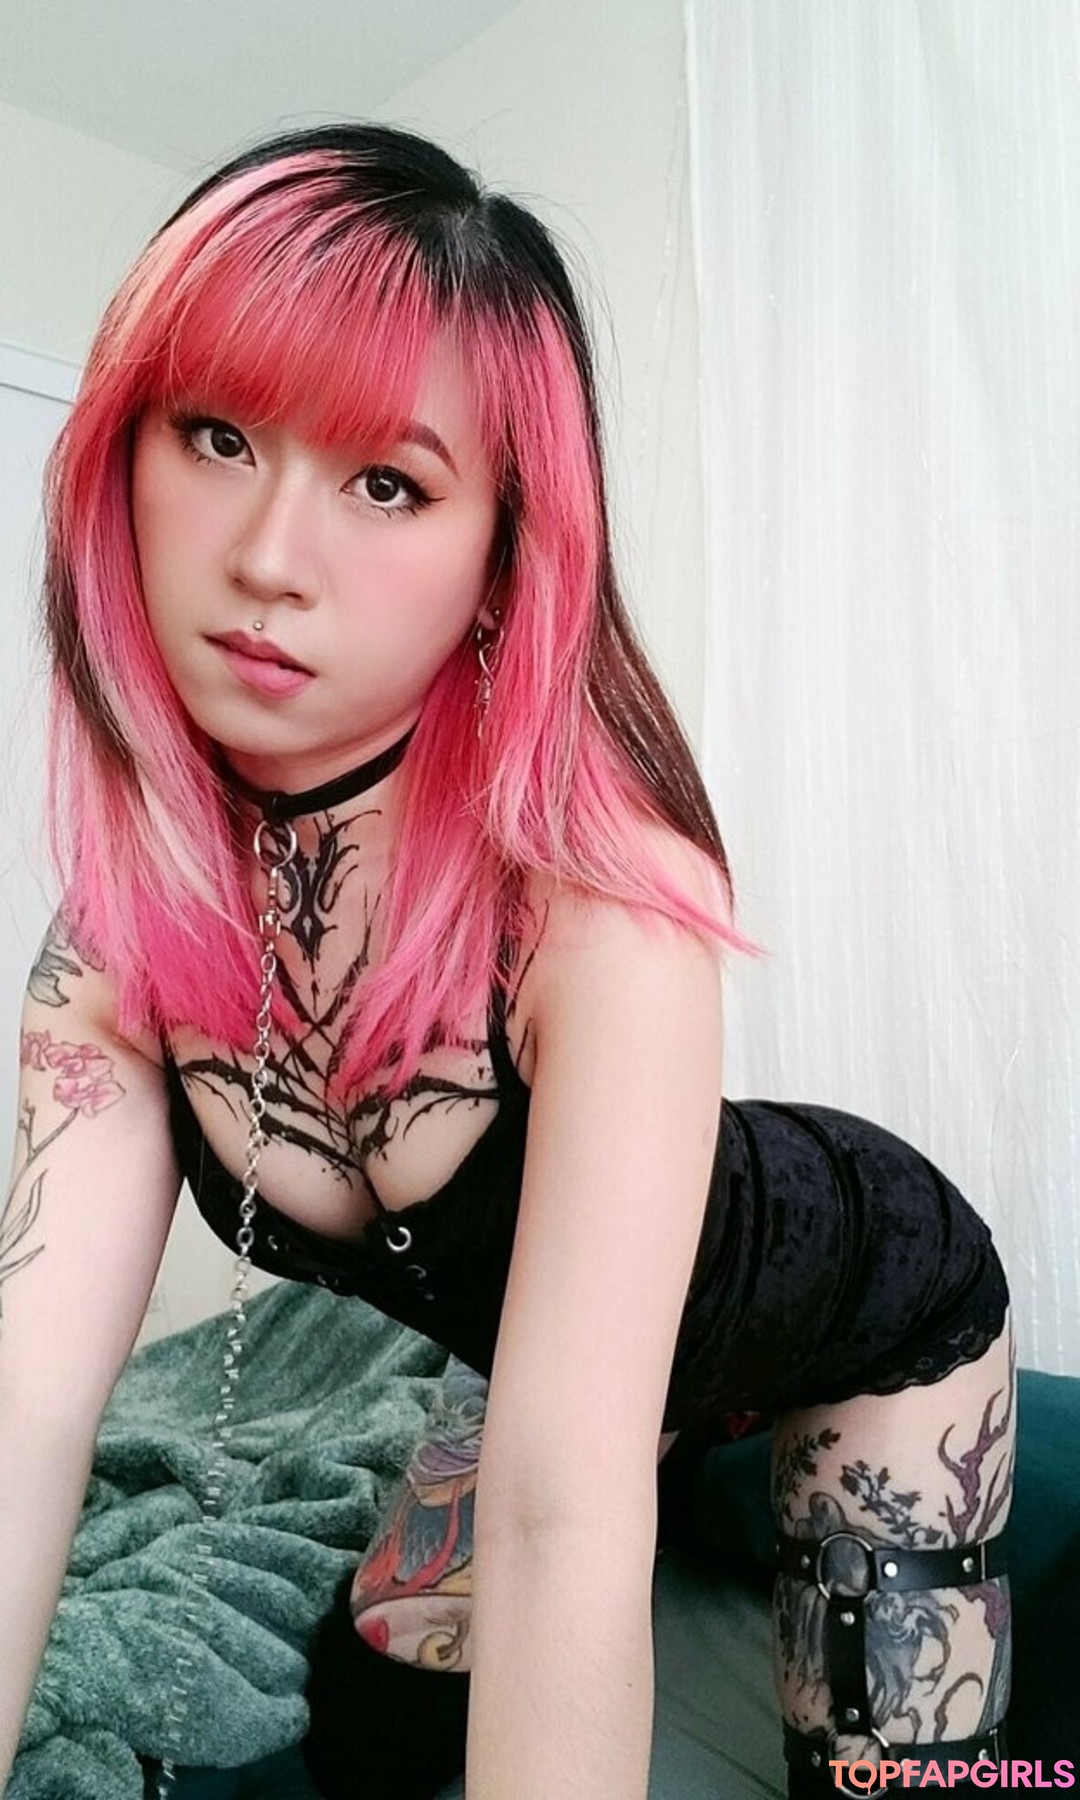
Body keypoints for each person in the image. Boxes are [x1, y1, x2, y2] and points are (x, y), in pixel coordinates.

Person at [0, 121, 1013, 1800]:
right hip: (584, 1347)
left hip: (867, 1309)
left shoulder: (601, 907)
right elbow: (28, 1408)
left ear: (497, 563)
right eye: (220, 435)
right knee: (377, 1725)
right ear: (124, 454)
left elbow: (562, 1511)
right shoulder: (113, 943)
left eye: (387, 484)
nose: (268, 560)